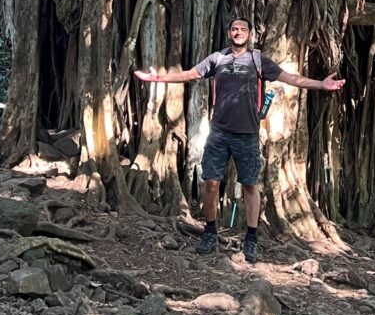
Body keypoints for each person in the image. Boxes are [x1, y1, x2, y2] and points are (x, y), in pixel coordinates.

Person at [134, 16, 345, 263]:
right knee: (211, 182)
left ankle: (251, 238)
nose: (238, 32)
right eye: (234, 29)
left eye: (243, 29)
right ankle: (210, 232)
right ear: (229, 33)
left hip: (247, 134)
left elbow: (290, 78)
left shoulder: (258, 60)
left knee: (249, 185)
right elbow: (190, 74)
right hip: (219, 133)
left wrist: (321, 84)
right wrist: (157, 78)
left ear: (250, 34)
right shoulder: (217, 58)